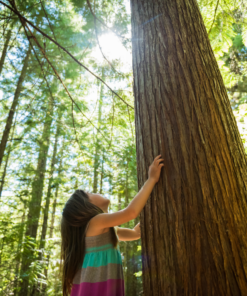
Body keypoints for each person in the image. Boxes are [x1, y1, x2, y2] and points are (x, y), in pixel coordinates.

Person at [60, 155, 164, 296]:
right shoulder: (95, 222)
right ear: (85, 207)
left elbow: (135, 233)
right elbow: (131, 212)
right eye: (89, 193)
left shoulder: (105, 230)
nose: (95, 192)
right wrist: (151, 179)